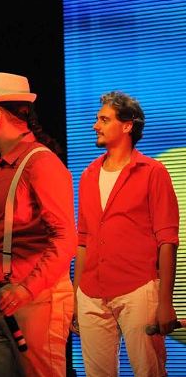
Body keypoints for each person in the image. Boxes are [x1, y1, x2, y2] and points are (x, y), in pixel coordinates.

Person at [0, 72, 76, 376]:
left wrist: (26, 290)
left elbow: (65, 238)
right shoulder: (3, 168)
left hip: (35, 298)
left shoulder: (41, 163)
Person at [73, 91, 179, 376]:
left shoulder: (152, 172)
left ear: (127, 126)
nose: (95, 125)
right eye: (97, 119)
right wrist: (75, 297)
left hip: (138, 289)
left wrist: (165, 303)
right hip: (90, 292)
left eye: (104, 120)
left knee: (149, 371)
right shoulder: (88, 175)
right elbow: (82, 241)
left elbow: (167, 241)